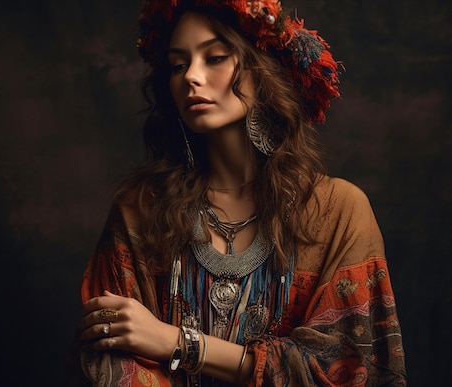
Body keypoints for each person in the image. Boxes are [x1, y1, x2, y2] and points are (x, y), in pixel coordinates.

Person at [71, 1, 407, 385]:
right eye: (178, 65)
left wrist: (178, 343)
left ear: (264, 70)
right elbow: (108, 359)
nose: (191, 77)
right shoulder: (140, 212)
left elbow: (352, 369)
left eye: (214, 57)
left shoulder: (337, 211)